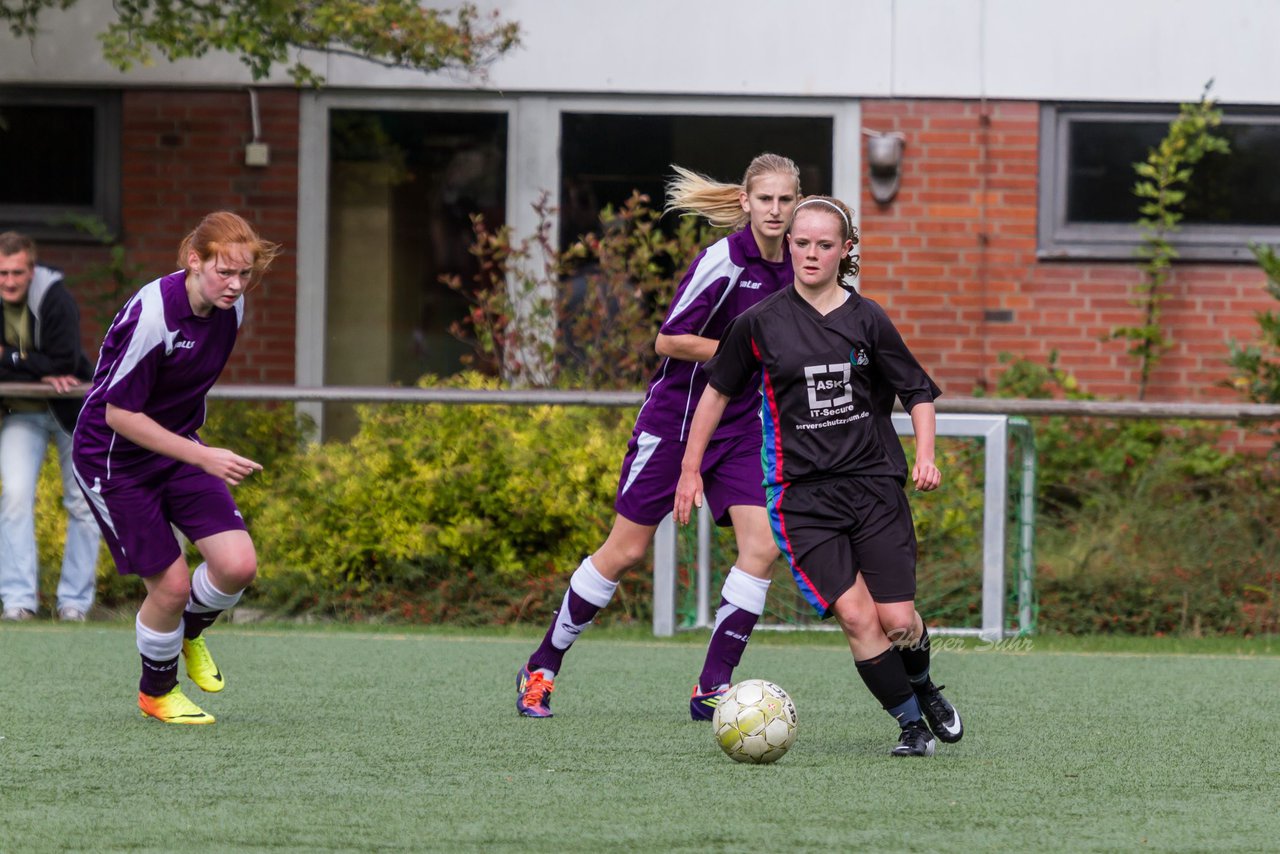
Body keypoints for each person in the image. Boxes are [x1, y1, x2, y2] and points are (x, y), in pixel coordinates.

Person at [673, 195, 964, 756]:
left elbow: (918, 392)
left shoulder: (868, 318)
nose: (810, 253)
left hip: (874, 486)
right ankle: (910, 726)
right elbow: (716, 393)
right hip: (801, 497)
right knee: (857, 618)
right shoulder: (758, 323)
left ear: (845, 251)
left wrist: (926, 454)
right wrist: (690, 470)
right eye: (800, 242)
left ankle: (924, 686)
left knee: (897, 619)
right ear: (789, 246)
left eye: (824, 244)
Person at [516, 154, 800, 720]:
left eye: (785, 200)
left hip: (738, 428)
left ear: (796, 205)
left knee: (763, 546)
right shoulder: (722, 261)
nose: (774, 210)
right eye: (764, 199)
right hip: (673, 422)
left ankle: (711, 687)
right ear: (745, 203)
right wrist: (742, 354)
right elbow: (668, 341)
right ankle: (542, 666)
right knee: (626, 551)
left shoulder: (797, 266)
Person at [71, 211, 280, 725]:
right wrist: (203, 455)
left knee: (237, 565)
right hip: (113, 458)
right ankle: (157, 693)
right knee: (171, 586)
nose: (235, 285)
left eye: (244, 274)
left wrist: (191, 449)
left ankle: (187, 632)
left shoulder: (232, 308)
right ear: (194, 260)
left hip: (176, 448)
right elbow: (118, 414)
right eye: (223, 272)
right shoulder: (154, 315)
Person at [0, 232, 100, 622]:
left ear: (32, 269)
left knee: (84, 504)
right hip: (21, 414)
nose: (9, 281)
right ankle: (18, 601)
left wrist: (9, 357)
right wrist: (37, 365)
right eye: (3, 273)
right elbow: (52, 363)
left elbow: (65, 359)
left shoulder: (56, 296)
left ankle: (74, 604)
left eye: (17, 272)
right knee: (15, 496)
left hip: (71, 412)